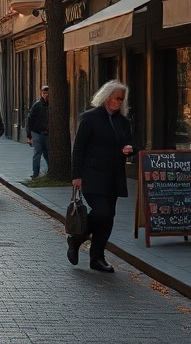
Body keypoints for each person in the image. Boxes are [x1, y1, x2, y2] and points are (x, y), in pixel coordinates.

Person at [69, 80, 134, 272]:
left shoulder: (123, 121)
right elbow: (79, 148)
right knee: (102, 212)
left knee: (108, 218)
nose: (119, 102)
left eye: (122, 99)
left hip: (113, 177)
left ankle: (97, 258)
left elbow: (130, 144)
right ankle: (77, 238)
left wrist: (131, 149)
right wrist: (76, 175)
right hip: (92, 175)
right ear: (107, 97)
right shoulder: (90, 117)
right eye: (117, 98)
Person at [26, 85, 51, 180]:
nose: (46, 95)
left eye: (47, 93)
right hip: (37, 133)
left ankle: (51, 171)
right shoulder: (37, 105)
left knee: (48, 154)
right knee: (37, 154)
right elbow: (30, 119)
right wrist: (29, 135)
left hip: (47, 134)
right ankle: (35, 174)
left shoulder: (52, 105)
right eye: (44, 93)